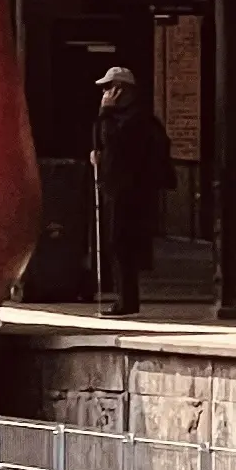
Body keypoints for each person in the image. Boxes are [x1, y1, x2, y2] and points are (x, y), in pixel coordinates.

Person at [88, 65, 170, 320]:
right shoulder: (118, 117)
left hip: (127, 189)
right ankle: (125, 297)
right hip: (118, 185)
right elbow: (102, 139)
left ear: (120, 89)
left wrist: (105, 112)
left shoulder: (134, 118)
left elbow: (115, 140)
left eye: (108, 88)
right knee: (118, 242)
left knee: (120, 241)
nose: (104, 93)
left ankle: (127, 299)